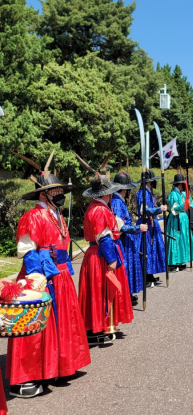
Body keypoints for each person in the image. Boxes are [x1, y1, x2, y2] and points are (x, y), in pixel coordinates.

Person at [8, 170, 91, 398]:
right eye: (55, 191)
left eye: (61, 190)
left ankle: (57, 367)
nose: (60, 193)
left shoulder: (58, 215)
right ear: (44, 195)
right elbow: (27, 250)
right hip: (42, 278)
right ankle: (28, 377)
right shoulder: (32, 217)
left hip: (61, 276)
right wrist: (36, 276)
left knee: (61, 323)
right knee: (36, 327)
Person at [79, 174, 134, 343]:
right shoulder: (101, 210)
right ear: (106, 193)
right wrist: (111, 259)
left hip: (95, 253)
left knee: (96, 291)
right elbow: (104, 237)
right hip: (101, 255)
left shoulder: (96, 207)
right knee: (102, 291)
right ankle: (98, 327)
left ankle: (97, 325)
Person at [111, 171, 145, 304]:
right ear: (124, 189)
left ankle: (128, 292)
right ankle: (125, 294)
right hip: (124, 240)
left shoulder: (118, 200)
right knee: (126, 267)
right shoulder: (117, 202)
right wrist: (137, 228)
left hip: (127, 240)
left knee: (128, 267)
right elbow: (120, 226)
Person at [136, 170, 167, 288]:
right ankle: (146, 275)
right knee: (146, 249)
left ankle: (150, 273)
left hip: (152, 223)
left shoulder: (149, 192)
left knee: (153, 249)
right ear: (149, 181)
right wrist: (159, 209)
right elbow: (144, 210)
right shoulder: (142, 193)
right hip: (146, 224)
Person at [166, 174, 193, 271]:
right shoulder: (173, 194)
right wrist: (184, 205)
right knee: (175, 239)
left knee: (182, 239)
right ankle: (174, 262)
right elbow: (174, 209)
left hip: (182, 219)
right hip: (176, 220)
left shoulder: (181, 194)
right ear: (180, 185)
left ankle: (181, 260)